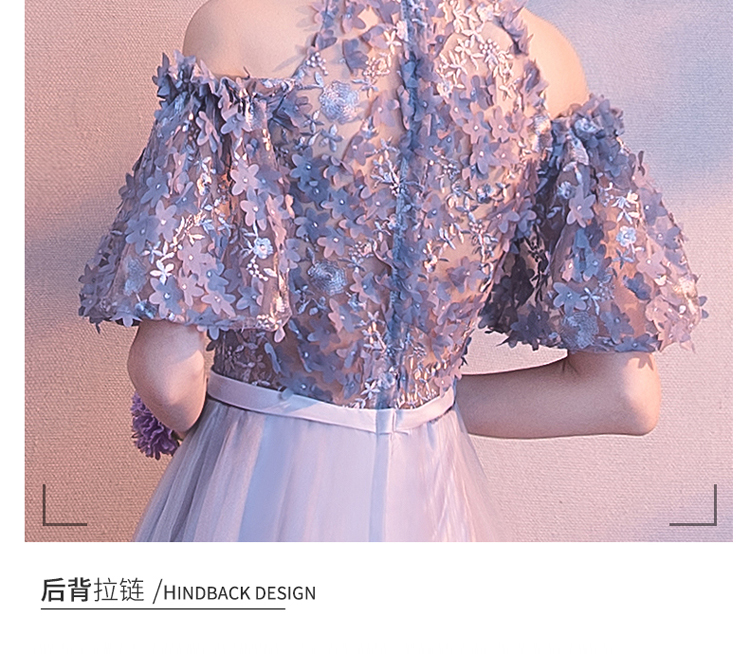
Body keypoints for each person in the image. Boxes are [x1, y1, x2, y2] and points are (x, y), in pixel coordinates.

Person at [79, 0, 704, 541]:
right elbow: (624, 396)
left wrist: (236, 408)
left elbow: (169, 378)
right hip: (429, 490)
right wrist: (414, 410)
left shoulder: (238, 24)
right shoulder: (547, 61)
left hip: (259, 471)